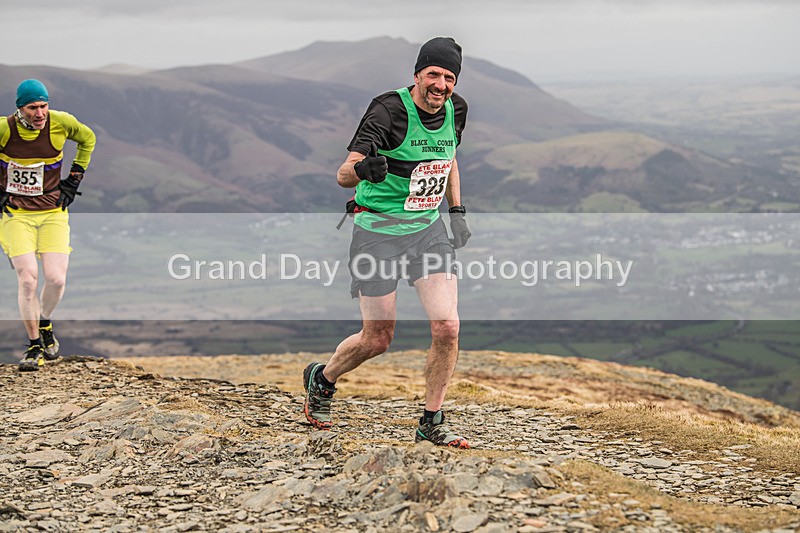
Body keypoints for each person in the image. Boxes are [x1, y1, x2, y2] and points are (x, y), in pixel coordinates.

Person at [304, 37, 473, 448]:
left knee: (447, 326)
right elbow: (343, 174)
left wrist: (456, 211)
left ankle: (431, 419)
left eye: (449, 77)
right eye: (433, 74)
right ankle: (323, 380)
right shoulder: (388, 110)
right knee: (378, 338)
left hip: (426, 230)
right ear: (417, 74)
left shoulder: (456, 108)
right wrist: (365, 169)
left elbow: (448, 157)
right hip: (377, 231)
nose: (441, 85)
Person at [0, 79, 96, 371]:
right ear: (20, 109)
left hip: (53, 212)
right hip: (16, 215)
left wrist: (74, 178)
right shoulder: (4, 129)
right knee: (28, 278)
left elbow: (88, 139)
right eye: (33, 108)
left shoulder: (61, 123)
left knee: (55, 279)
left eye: (43, 106)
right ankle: (33, 347)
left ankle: (44, 323)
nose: (40, 113)